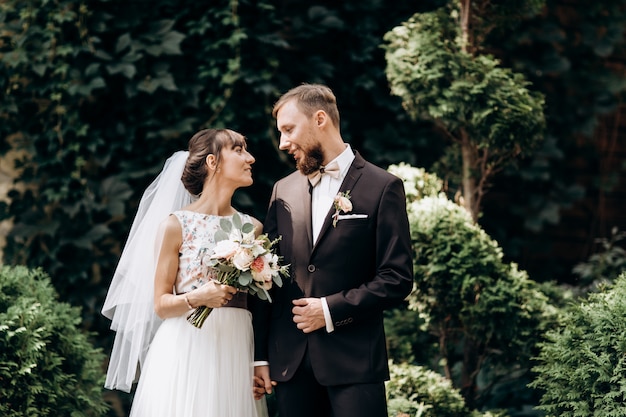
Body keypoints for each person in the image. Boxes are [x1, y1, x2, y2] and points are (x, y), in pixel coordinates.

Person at [251, 84, 414, 417]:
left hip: (354, 363)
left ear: (320, 119)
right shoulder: (283, 190)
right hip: (291, 365)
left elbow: (397, 278)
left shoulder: (382, 187)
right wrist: (261, 356)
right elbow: (265, 274)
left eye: (288, 129)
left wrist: (329, 309)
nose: (283, 143)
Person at [102, 128, 268, 417]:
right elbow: (161, 305)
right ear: (213, 162)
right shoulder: (175, 226)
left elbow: (260, 304)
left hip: (236, 348)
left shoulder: (251, 228)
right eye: (238, 150)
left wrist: (257, 362)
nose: (250, 158)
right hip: (187, 348)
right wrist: (198, 297)